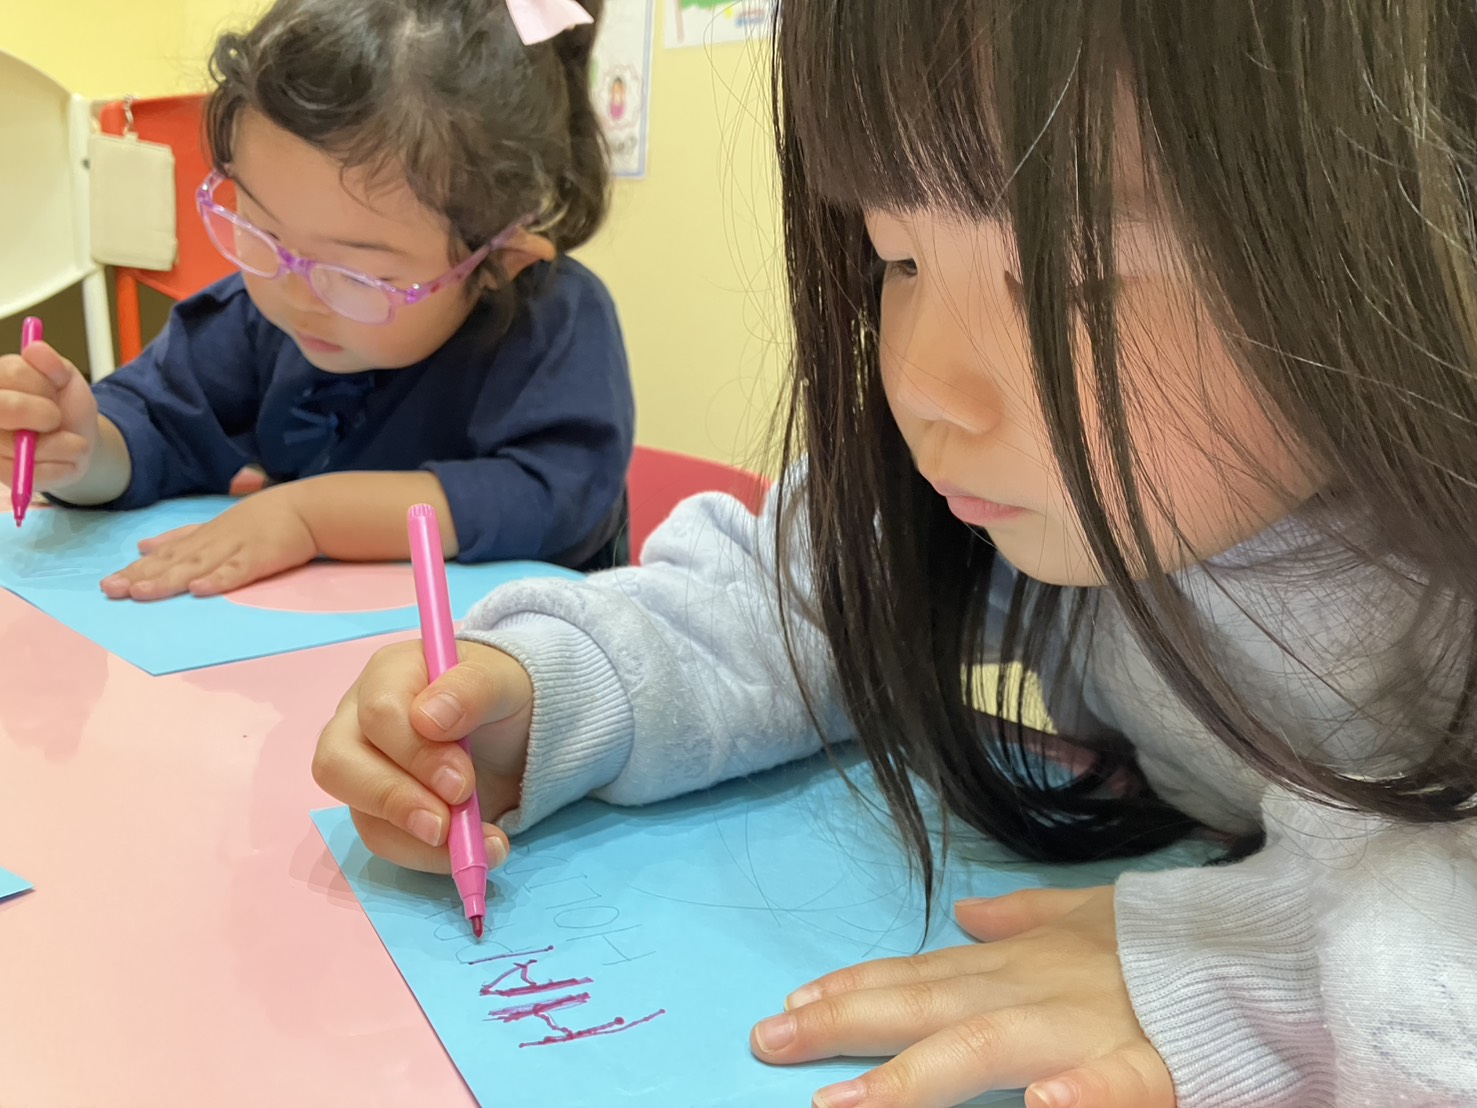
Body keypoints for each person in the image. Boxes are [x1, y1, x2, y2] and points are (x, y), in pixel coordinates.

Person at [312, 2, 1477, 1105]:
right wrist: (546, 698)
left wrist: (1264, 972)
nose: (920, 384)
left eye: (1071, 275)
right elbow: (805, 594)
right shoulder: (1058, 506)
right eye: (896, 256)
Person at [0, 0, 633, 599]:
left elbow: (554, 500)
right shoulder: (255, 318)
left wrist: (311, 517)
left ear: (495, 261)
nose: (294, 292)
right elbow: (155, 425)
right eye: (262, 233)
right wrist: (82, 453)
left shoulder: (556, 323)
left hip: (523, 675)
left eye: (356, 274)